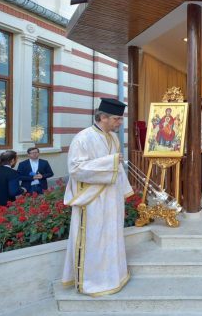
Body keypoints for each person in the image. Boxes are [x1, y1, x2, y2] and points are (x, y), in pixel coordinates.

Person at [62, 98, 134, 296]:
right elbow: (75, 169)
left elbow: (117, 168)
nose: (120, 123)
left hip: (111, 198)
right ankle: (93, 281)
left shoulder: (113, 138)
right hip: (92, 201)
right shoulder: (83, 138)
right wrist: (109, 162)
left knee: (112, 236)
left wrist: (125, 190)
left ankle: (113, 275)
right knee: (95, 239)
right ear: (103, 117)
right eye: (117, 119)